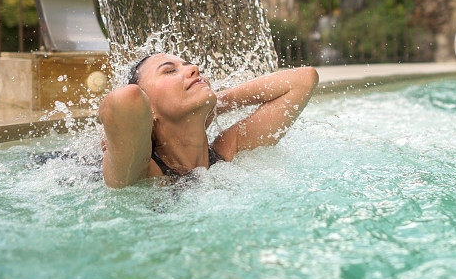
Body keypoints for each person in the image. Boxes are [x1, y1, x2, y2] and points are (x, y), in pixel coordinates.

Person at [99, 52, 319, 188]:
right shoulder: (142, 171)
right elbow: (126, 99)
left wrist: (215, 104)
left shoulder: (227, 150)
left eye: (187, 64)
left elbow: (304, 79)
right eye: (169, 71)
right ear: (148, 108)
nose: (193, 69)